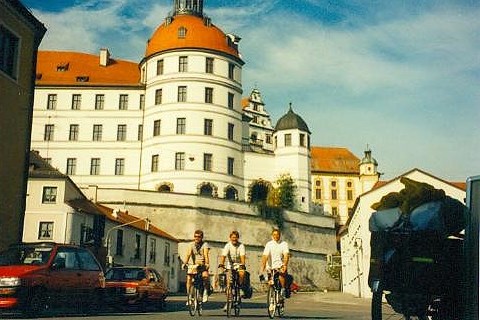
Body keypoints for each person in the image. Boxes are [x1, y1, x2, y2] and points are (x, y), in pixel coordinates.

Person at [218, 231, 246, 311]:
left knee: (242, 273)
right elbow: (223, 256)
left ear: (238, 238)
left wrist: (243, 264)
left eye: (235, 237)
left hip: (239, 264)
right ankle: (228, 302)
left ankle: (240, 288)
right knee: (228, 284)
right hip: (230, 265)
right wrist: (221, 264)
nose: (234, 239)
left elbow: (242, 256)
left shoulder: (241, 246)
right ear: (230, 238)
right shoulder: (228, 245)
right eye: (233, 237)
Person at [260, 228, 290, 300]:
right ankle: (271, 298)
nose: (276, 236)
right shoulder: (269, 244)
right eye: (274, 235)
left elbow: (286, 255)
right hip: (270, 266)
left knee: (281, 276)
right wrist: (262, 268)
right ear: (272, 236)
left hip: (280, 266)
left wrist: (284, 265)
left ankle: (282, 289)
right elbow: (265, 256)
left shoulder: (284, 244)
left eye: (277, 235)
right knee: (270, 281)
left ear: (280, 235)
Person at [184, 229, 211, 303]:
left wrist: (207, 263)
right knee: (189, 278)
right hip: (194, 265)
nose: (197, 238)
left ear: (201, 237)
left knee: (205, 276)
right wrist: (185, 263)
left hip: (202, 265)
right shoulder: (191, 245)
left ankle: (205, 292)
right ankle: (189, 296)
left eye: (199, 237)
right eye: (195, 236)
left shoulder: (205, 244)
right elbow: (188, 254)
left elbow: (206, 255)